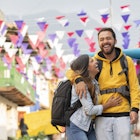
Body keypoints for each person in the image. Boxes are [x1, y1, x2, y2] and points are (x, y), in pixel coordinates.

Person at [66, 27, 140, 140]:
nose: (105, 41)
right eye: (102, 39)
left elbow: (134, 87)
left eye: (108, 38)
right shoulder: (94, 61)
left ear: (115, 41)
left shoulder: (126, 61)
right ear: (99, 43)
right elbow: (71, 70)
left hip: (123, 113)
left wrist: (134, 109)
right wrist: (78, 79)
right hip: (101, 115)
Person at [66, 54, 122, 140]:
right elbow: (90, 110)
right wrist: (108, 105)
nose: (96, 62)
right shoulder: (82, 85)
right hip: (76, 126)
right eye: (92, 61)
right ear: (86, 67)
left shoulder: (94, 82)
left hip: (88, 126)